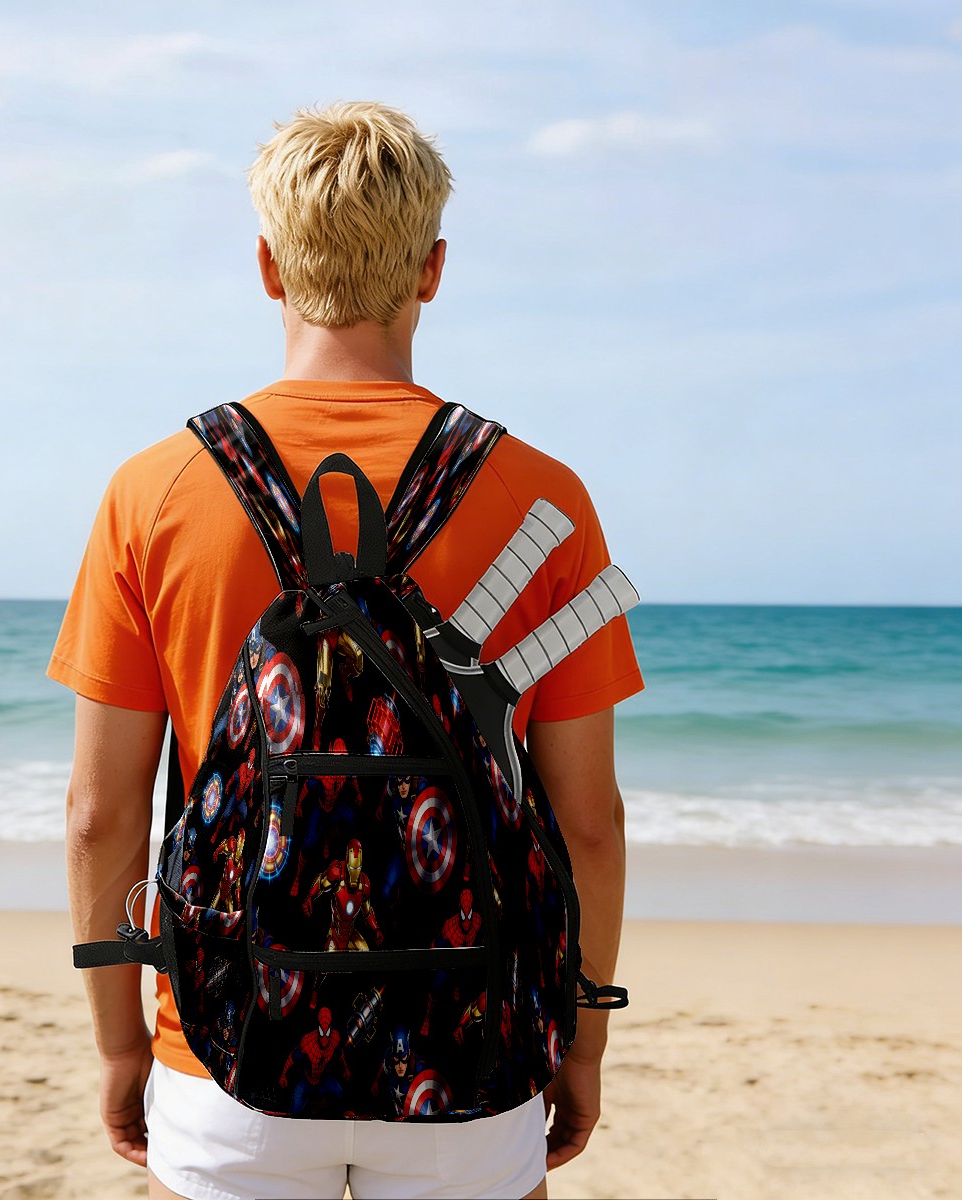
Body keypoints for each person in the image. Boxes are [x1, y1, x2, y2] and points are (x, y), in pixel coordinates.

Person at [49, 102, 643, 1200]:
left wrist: (122, 1044)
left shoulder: (155, 491)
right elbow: (589, 825)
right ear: (433, 270)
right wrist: (583, 1037)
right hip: (471, 1051)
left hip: (228, 1048)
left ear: (268, 267)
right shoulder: (544, 500)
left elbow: (99, 812)